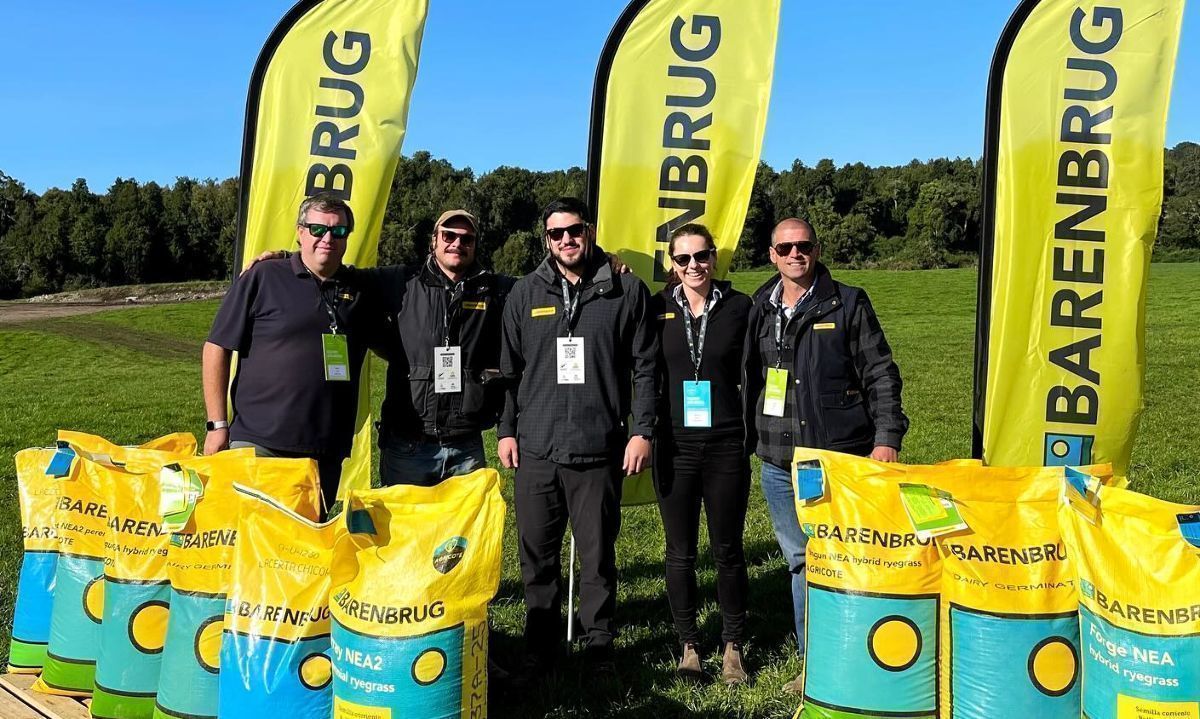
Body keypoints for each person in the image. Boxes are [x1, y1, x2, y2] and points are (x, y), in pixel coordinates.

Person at [743, 217, 908, 693]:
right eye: (786, 247)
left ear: (816, 249)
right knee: (800, 560)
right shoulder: (759, 305)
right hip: (778, 462)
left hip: (836, 457)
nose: (796, 254)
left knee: (851, 557)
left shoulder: (848, 301)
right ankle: (813, 659)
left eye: (805, 246)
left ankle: (864, 651)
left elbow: (880, 372)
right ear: (772, 255)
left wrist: (887, 436)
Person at [497, 197, 657, 677]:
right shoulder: (525, 293)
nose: (566, 240)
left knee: (597, 556)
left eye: (574, 230)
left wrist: (643, 431)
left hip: (598, 446)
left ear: (588, 231)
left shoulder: (625, 289)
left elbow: (647, 370)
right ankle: (540, 644)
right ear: (546, 240)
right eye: (556, 233)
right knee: (536, 556)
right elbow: (510, 371)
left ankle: (598, 643)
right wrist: (506, 430)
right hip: (536, 448)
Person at [202, 193, 382, 512]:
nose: (327, 238)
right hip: (260, 445)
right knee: (253, 546)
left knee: (304, 555)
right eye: (317, 230)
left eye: (338, 231)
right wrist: (217, 425)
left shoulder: (359, 289)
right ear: (300, 232)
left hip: (324, 452)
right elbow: (217, 347)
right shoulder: (264, 276)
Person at [650, 224, 753, 685]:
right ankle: (689, 644)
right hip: (673, 445)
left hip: (726, 441)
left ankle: (733, 646)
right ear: (672, 264)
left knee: (728, 549)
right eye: (684, 259)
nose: (694, 266)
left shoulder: (739, 307)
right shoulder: (656, 309)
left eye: (702, 256)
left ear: (714, 258)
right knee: (680, 552)